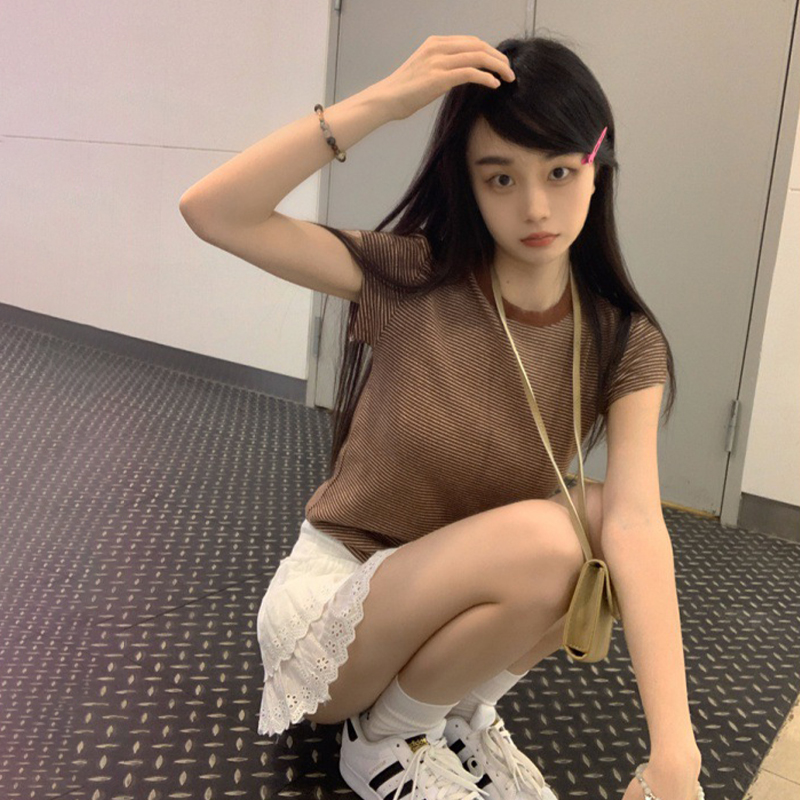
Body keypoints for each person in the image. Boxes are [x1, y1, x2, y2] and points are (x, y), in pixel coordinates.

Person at [179, 32, 703, 800]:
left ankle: (447, 717)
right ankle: (381, 742)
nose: (535, 206)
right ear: (470, 183)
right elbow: (213, 211)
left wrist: (676, 753)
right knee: (551, 538)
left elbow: (636, 527)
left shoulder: (622, 338)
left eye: (560, 171)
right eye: (501, 178)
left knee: (596, 523)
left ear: (598, 167)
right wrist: (384, 103)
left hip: (448, 620)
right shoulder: (414, 277)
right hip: (336, 619)